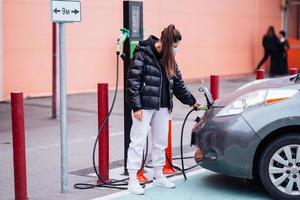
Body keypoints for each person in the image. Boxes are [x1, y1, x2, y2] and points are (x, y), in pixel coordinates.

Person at [126, 24, 200, 195]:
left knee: (160, 142)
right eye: (175, 47)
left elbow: (179, 85)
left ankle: (158, 175)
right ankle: (132, 179)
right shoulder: (142, 54)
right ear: (167, 43)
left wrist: (192, 102)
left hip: (164, 107)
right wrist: (136, 106)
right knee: (137, 142)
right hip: (143, 107)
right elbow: (133, 83)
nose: (176, 50)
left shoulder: (170, 60)